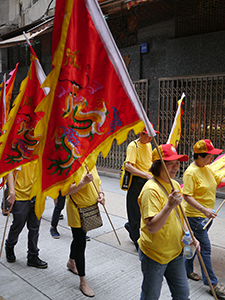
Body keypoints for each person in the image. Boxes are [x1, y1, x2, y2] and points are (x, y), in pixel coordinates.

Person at [138, 144, 200, 300]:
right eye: (170, 163)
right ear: (158, 165)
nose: (175, 167)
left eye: (177, 162)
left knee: (182, 294)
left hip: (176, 252)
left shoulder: (174, 184)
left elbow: (181, 216)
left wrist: (190, 235)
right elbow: (152, 227)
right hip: (155, 255)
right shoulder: (150, 190)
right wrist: (169, 205)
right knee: (150, 296)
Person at [183, 139, 225, 298]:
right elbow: (187, 196)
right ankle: (212, 283)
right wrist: (204, 209)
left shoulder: (207, 168)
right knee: (205, 248)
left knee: (195, 246)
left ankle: (187, 270)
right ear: (200, 156)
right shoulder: (190, 172)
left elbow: (218, 180)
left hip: (207, 216)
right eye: (210, 156)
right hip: (195, 217)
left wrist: (208, 211)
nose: (212, 159)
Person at [66, 166, 105, 298]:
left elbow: (98, 182)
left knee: (78, 238)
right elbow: (65, 191)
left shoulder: (90, 162)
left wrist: (101, 194)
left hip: (90, 209)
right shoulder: (69, 164)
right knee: (80, 242)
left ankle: (71, 261)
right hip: (77, 210)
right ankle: (83, 281)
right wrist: (82, 182)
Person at [5, 162, 48, 268]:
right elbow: (9, 170)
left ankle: (33, 255)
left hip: (37, 195)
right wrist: (11, 191)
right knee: (18, 225)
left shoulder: (40, 148)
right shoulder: (19, 148)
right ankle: (10, 245)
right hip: (20, 196)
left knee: (35, 227)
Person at [124, 125, 159, 250]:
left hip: (148, 182)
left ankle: (131, 227)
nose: (150, 138)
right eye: (148, 135)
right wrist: (145, 174)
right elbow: (128, 166)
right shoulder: (133, 146)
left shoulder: (149, 145)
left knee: (146, 211)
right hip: (137, 182)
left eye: (152, 135)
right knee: (134, 213)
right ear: (141, 134)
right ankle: (136, 241)